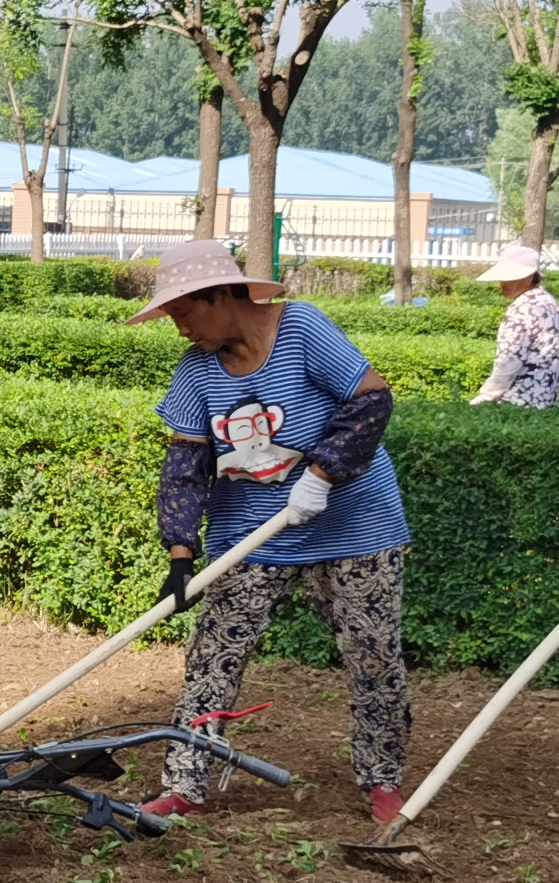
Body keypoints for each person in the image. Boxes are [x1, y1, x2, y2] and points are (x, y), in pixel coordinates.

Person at [134, 237, 411, 832]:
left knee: (374, 654)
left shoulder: (303, 328)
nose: (181, 330)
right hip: (250, 534)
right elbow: (186, 465)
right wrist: (181, 554)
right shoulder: (197, 371)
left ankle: (384, 779)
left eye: (184, 313)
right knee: (214, 656)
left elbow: (372, 400)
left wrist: (321, 472)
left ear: (219, 296)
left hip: (354, 523)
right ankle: (185, 784)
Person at [467, 243, 559, 407]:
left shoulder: (522, 308)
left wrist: (485, 397)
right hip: (544, 401)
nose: (504, 284)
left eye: (511, 278)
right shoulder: (548, 301)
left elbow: (509, 359)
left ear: (529, 277)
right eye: (503, 277)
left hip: (516, 403)